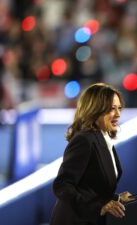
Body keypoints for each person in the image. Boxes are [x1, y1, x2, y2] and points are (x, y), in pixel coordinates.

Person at [50, 83, 132, 225]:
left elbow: (91, 188)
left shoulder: (103, 137)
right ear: (96, 110)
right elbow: (62, 186)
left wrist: (116, 199)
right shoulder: (84, 140)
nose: (118, 114)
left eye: (119, 108)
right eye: (112, 109)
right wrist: (99, 206)